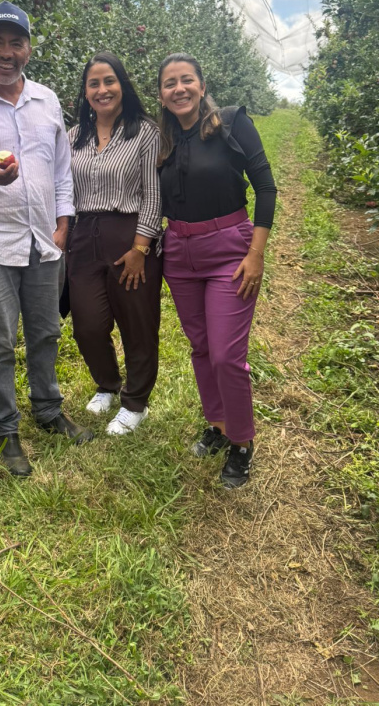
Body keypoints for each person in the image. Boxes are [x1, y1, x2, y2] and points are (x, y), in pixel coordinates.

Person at [0, 1, 93, 477]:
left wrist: (64, 224)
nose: (6, 53)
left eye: (16, 43)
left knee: (47, 332)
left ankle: (48, 411)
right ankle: (5, 428)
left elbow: (61, 170)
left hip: (46, 242)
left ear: (28, 48)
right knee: (0, 341)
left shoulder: (47, 101)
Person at [157, 52, 277, 489]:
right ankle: (218, 423)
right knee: (202, 347)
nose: (179, 89)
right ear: (161, 95)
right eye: (170, 83)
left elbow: (265, 186)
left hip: (229, 249)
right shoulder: (163, 143)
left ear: (202, 85)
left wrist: (256, 252)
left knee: (228, 354)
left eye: (187, 80)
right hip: (180, 253)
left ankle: (242, 442)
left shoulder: (230, 124)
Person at [67, 52, 162, 434]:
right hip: (84, 235)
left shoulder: (144, 132)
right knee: (87, 324)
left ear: (122, 86)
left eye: (109, 81)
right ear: (86, 92)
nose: (102, 89)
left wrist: (141, 248)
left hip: (129, 235)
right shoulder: (74, 136)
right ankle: (108, 383)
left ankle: (136, 401)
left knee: (137, 323)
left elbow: (154, 195)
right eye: (94, 83)